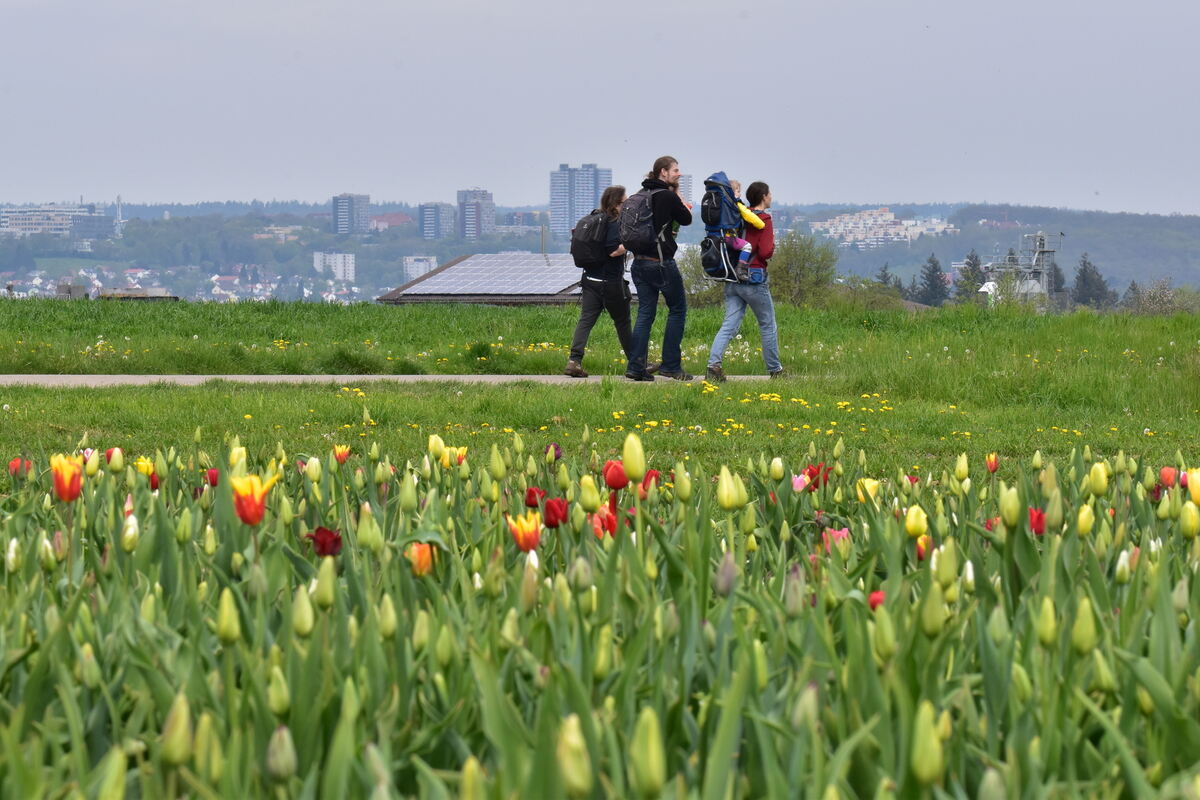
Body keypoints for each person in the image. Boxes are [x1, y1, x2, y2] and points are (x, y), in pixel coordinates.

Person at [706, 181, 783, 381]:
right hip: (754, 278)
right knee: (767, 324)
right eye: (770, 193)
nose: (771, 196)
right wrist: (771, 250)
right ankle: (775, 370)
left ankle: (713, 366)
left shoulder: (738, 215)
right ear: (764, 197)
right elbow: (765, 251)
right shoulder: (764, 219)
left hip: (732, 277)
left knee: (729, 325)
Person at [625, 156, 693, 381]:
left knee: (645, 313)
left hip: (639, 263)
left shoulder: (640, 195)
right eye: (675, 170)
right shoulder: (666, 195)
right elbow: (686, 219)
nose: (679, 173)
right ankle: (671, 365)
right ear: (663, 172)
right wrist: (679, 199)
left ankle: (635, 367)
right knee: (677, 310)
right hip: (661, 263)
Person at [564, 186, 633, 377]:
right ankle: (637, 363)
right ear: (617, 204)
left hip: (590, 279)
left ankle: (574, 361)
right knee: (622, 322)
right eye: (624, 202)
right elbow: (613, 250)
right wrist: (631, 243)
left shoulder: (594, 219)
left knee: (586, 320)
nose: (627, 205)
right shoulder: (613, 222)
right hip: (610, 282)